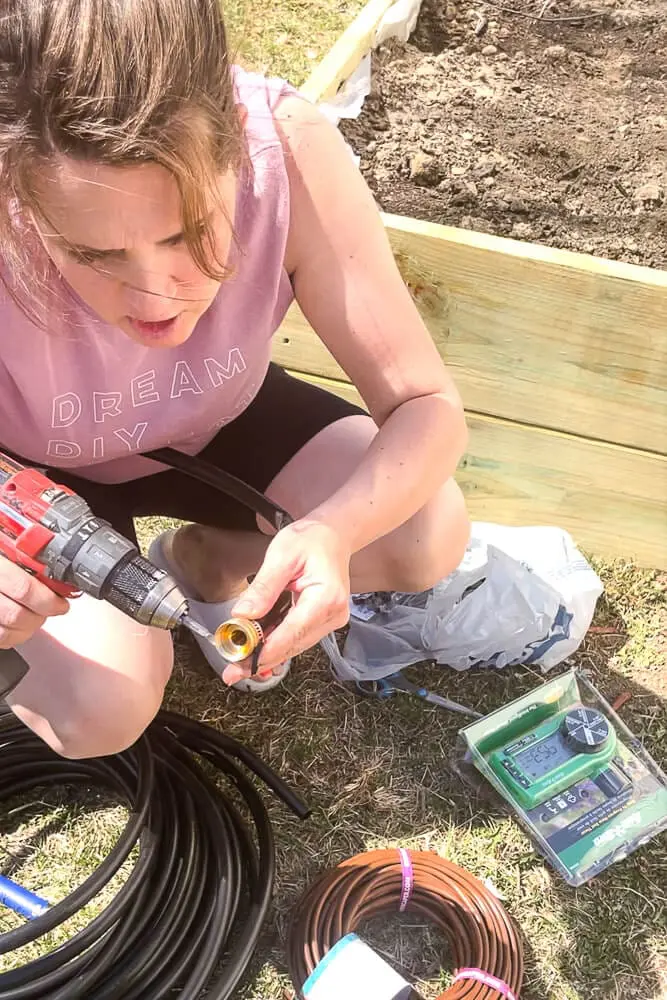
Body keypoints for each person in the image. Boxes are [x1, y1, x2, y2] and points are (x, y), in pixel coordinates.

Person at [0, 0, 469, 759]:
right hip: (34, 475)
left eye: (185, 231)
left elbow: (426, 405)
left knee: (422, 531)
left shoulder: (287, 147)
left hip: (217, 419)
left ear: (236, 148)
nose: (156, 298)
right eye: (95, 254)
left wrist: (332, 531)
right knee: (101, 708)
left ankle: (208, 563)